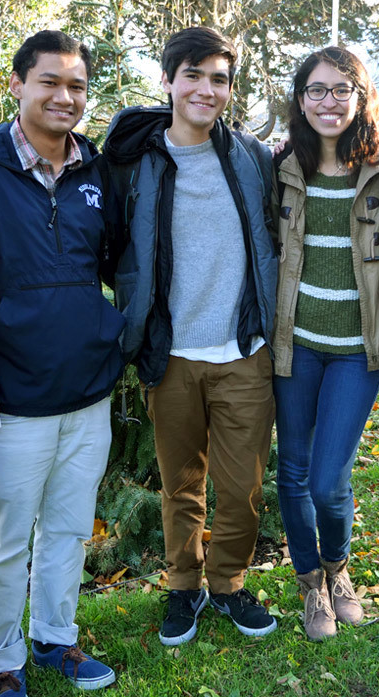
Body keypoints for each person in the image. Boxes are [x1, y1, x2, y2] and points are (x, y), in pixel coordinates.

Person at [0, 30, 123, 697]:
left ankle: (56, 640)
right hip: (14, 398)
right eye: (50, 82)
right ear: (17, 84)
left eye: (76, 86)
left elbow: (112, 264)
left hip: (88, 392)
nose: (65, 97)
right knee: (5, 541)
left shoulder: (97, 174)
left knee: (70, 530)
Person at [103, 26, 280, 646]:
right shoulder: (136, 163)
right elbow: (113, 248)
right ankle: (184, 587)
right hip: (170, 354)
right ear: (169, 81)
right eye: (194, 76)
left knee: (241, 487)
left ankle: (229, 583)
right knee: (181, 484)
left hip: (243, 352)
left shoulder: (252, 159)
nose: (207, 90)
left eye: (220, 79)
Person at [270, 47, 379, 641]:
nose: (329, 102)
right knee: (292, 474)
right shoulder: (283, 167)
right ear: (301, 99)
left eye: (341, 90)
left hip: (356, 348)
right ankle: (311, 586)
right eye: (317, 90)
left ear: (361, 97)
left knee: (328, 479)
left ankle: (339, 569)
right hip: (295, 347)